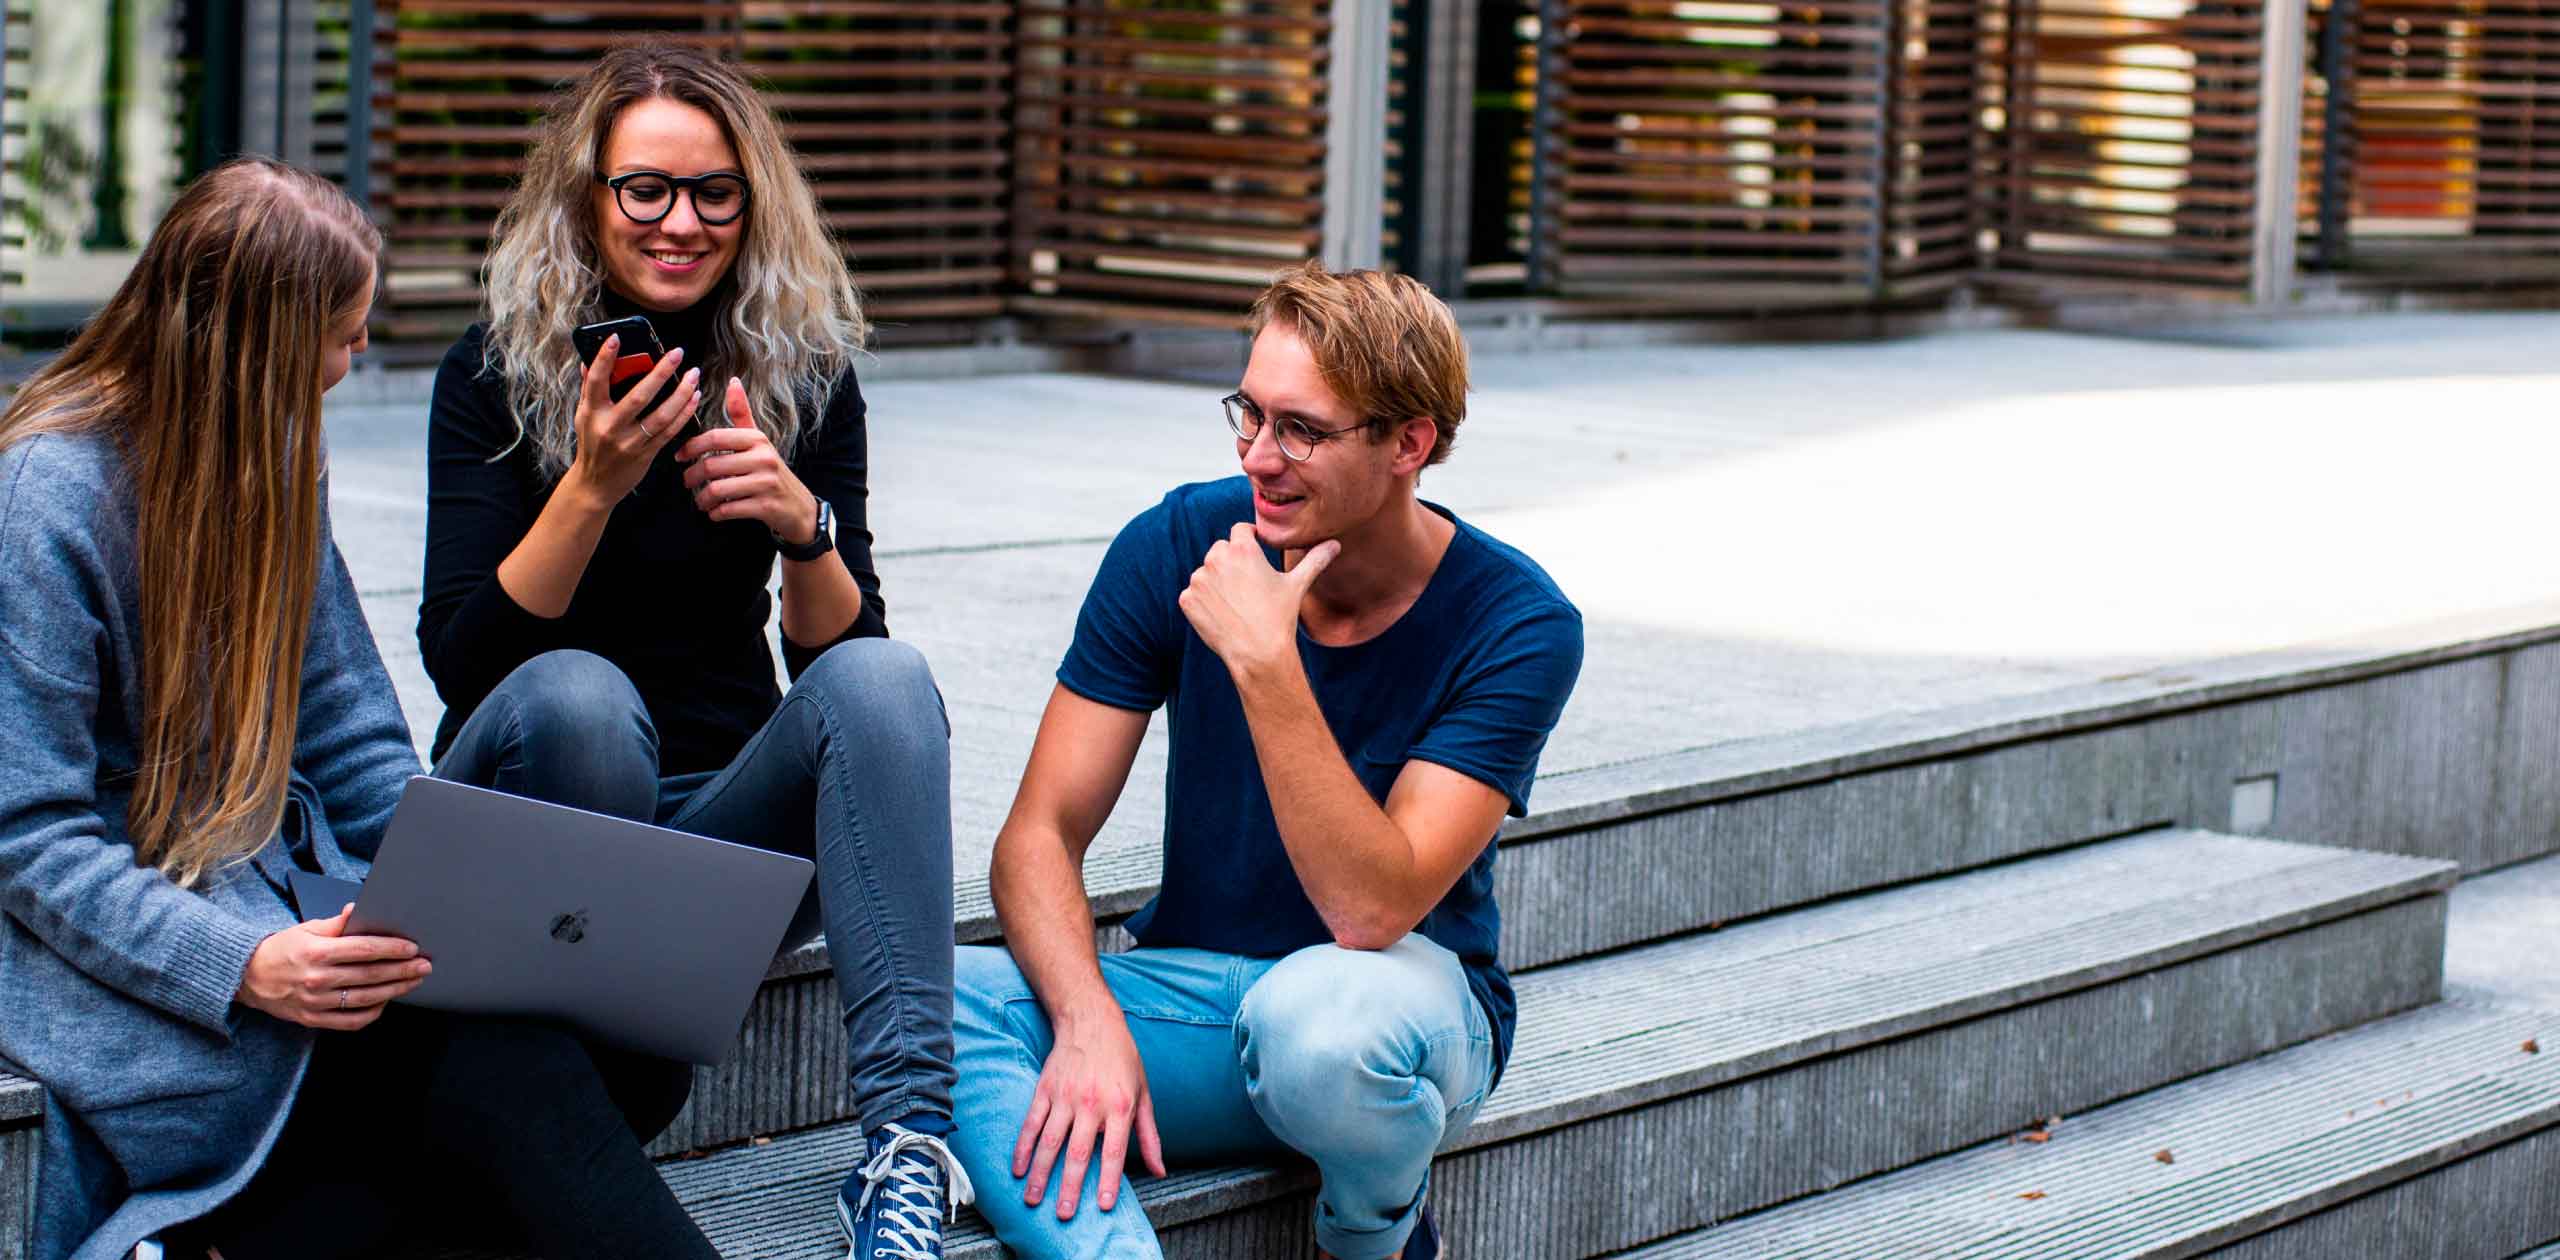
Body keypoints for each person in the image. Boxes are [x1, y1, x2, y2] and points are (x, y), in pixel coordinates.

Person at [0, 158, 721, 1260]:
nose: (356, 358)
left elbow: (351, 734)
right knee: (503, 1072)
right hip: (149, 970)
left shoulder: (274, 450)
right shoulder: (47, 497)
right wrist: (242, 964)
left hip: (291, 904)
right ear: (262, 345)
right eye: (342, 334)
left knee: (629, 1047)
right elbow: (32, 838)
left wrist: (457, 901)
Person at [414, 42, 966, 1258]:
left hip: (716, 835)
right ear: (588, 197)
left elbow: (844, 667)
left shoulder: (799, 374)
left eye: (715, 191)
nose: (680, 222)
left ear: (752, 199)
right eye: (644, 189)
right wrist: (594, 485)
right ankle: (563, 1100)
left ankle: (906, 1154)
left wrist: (799, 525)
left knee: (888, 679)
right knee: (580, 697)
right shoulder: (496, 374)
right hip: (535, 814)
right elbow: (462, 664)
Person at [952, 263, 1586, 1259]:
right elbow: (1037, 835)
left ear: (1406, 445)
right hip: (1199, 997)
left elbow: (1369, 912)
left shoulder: (1516, 622)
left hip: (1395, 1020)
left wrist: (1265, 663)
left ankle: (1372, 1236)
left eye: (1300, 429)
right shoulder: (1176, 542)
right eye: (1246, 414)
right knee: (938, 997)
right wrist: (1083, 1020)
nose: (1258, 455)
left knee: (1321, 1023)